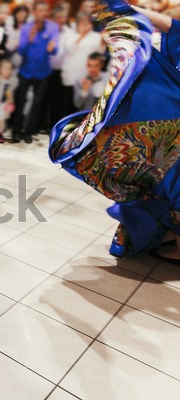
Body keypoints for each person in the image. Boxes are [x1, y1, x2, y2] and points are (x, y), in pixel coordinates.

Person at [49, 0, 180, 264]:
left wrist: (129, 10)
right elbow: (172, 25)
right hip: (166, 109)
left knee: (172, 179)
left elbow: (172, 25)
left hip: (170, 109)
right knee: (165, 175)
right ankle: (165, 231)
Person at [12, 2, 59, 144]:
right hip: (26, 70)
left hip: (43, 72)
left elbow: (54, 50)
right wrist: (30, 39)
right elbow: (21, 51)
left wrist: (52, 48)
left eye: (45, 10)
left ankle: (28, 132)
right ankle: (16, 131)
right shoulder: (27, 27)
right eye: (40, 10)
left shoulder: (53, 27)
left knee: (37, 104)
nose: (43, 13)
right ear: (35, 12)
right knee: (20, 102)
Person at [59, 12, 104, 117]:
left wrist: (103, 42)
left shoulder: (96, 36)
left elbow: (100, 53)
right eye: (82, 23)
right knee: (66, 103)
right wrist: (82, 36)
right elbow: (69, 50)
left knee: (81, 103)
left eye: (87, 22)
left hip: (86, 75)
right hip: (70, 75)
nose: (84, 25)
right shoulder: (71, 35)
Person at [0, 59, 18, 143]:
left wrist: (10, 100)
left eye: (9, 69)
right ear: (0, 69)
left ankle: (0, 133)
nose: (7, 71)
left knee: (2, 121)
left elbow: (10, 94)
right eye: (5, 68)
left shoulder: (10, 81)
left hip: (4, 105)